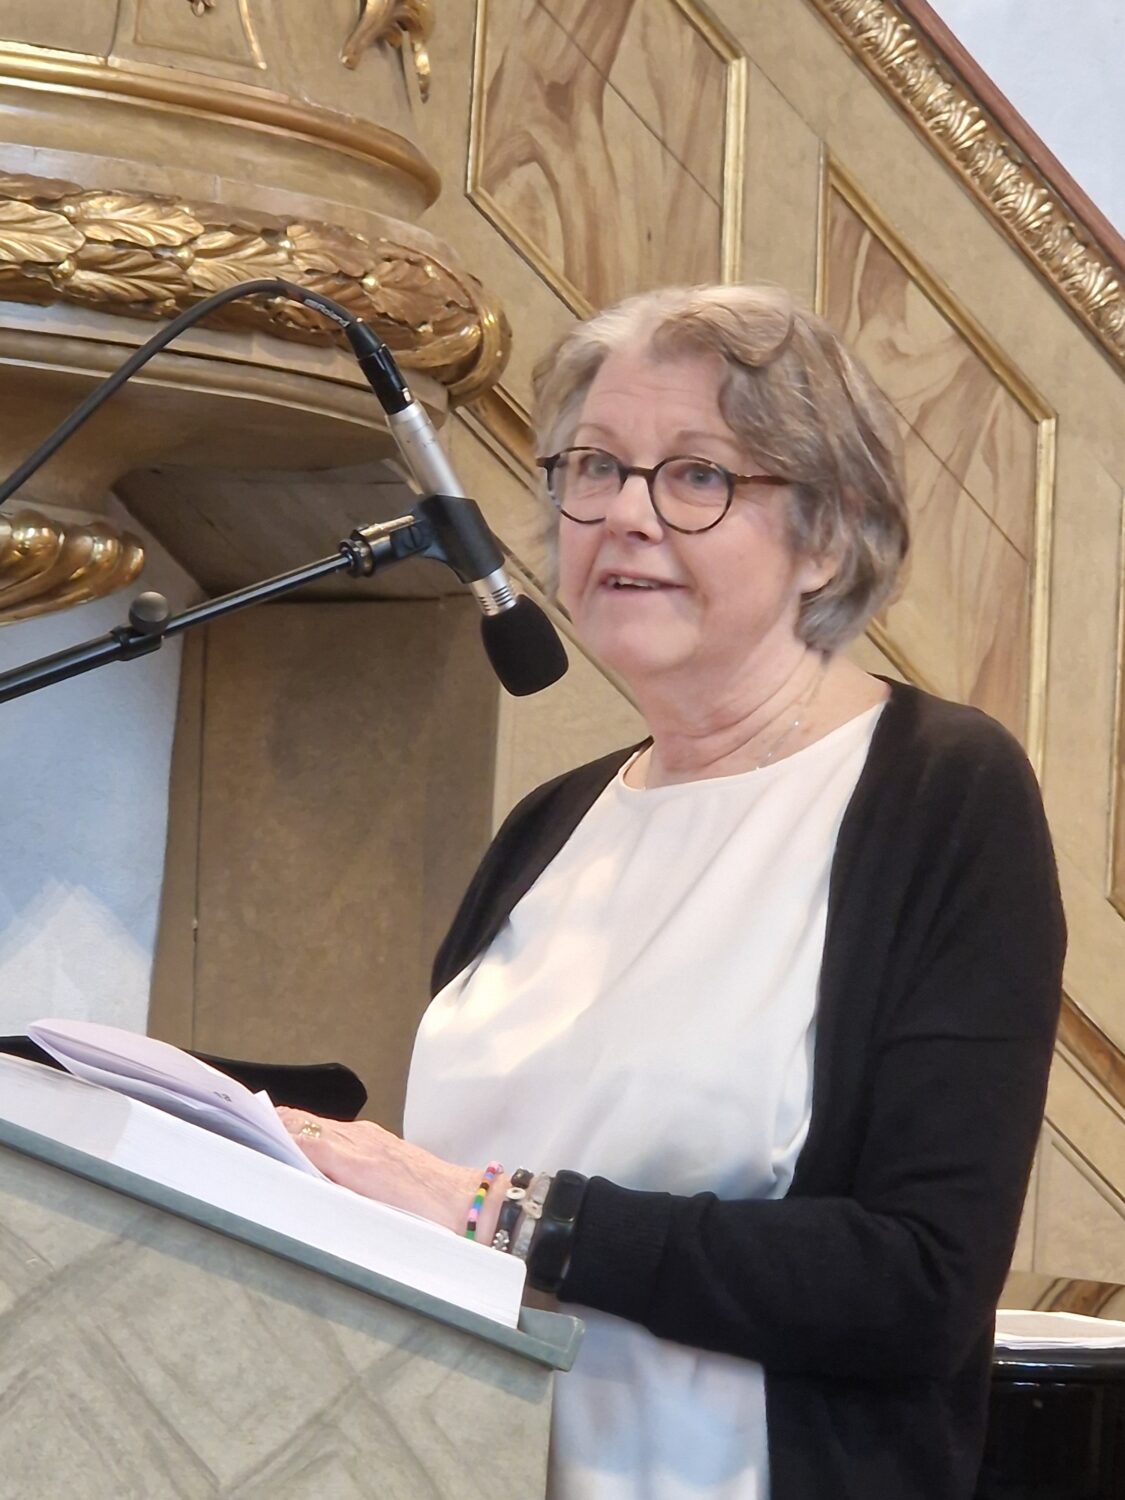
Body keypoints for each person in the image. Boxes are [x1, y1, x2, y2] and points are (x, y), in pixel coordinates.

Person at [279, 283, 1065, 1500]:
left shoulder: (939, 794)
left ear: (829, 535)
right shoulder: (554, 823)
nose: (626, 516)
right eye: (594, 467)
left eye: (697, 475)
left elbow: (918, 1284)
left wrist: (507, 1215)